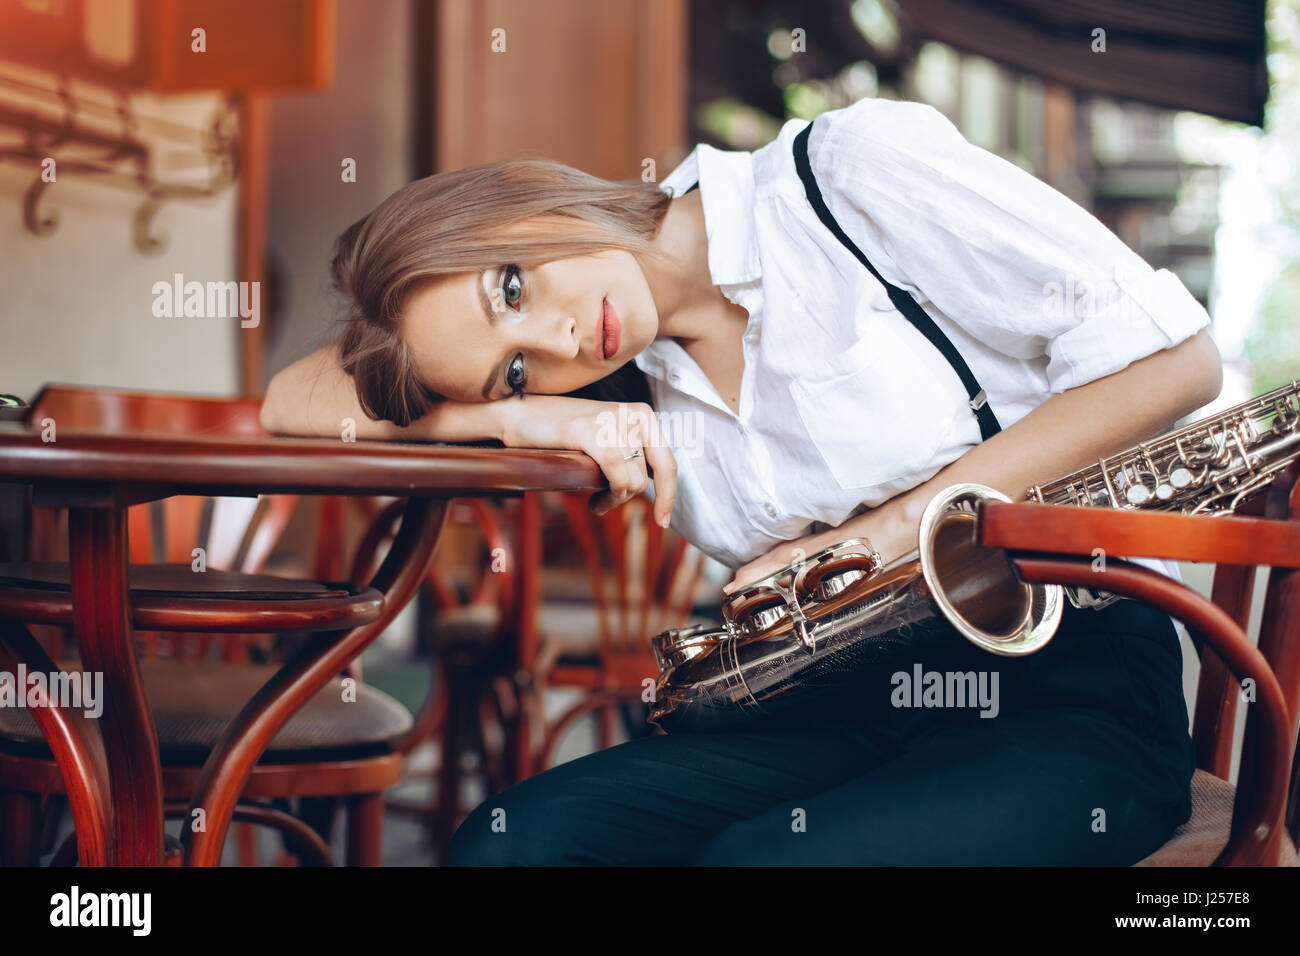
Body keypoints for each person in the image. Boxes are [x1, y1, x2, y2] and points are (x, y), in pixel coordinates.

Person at [260, 96, 1224, 865]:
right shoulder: (608, 367)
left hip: (1070, 684)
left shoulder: (842, 180)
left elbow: (1177, 361)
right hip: (844, 699)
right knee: (513, 847)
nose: (551, 340)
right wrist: (512, 413)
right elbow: (289, 400)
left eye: (509, 286)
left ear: (518, 199)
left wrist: (884, 536)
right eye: (515, 363)